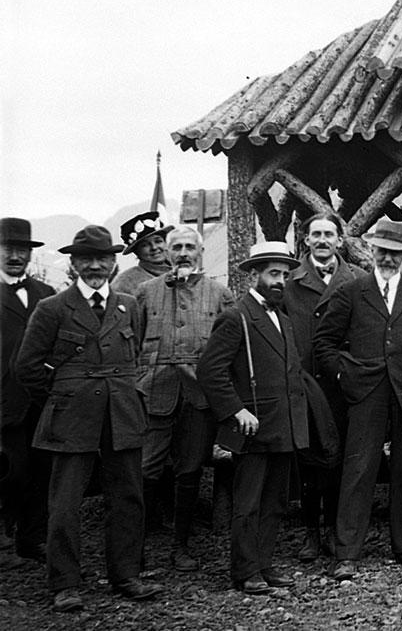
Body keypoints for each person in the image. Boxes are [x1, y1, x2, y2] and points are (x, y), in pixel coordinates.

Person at [14, 226, 162, 611]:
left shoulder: (129, 304)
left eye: (103, 259)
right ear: (74, 263)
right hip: (70, 416)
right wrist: (64, 394)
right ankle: (65, 583)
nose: (96, 266)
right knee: (64, 502)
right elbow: (27, 367)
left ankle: (126, 575)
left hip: (122, 413)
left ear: (114, 264)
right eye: (87, 259)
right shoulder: (53, 308)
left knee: (128, 496)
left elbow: (137, 356)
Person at [314, 218, 402, 579]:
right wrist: (343, 373)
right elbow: (324, 343)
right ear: (371, 250)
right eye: (383, 250)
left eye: (396, 252)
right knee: (358, 470)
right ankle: (347, 552)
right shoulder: (353, 291)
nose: (388, 257)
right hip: (365, 392)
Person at [195, 241, 310, 594]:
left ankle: (264, 564)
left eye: (285, 275)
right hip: (253, 425)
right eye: (273, 274)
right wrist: (235, 410)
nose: (280, 281)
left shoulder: (284, 319)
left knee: (275, 501)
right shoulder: (236, 317)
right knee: (248, 502)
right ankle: (245, 571)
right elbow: (210, 371)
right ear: (254, 275)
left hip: (283, 425)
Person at [133, 227, 235, 569]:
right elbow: (131, 344)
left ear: (201, 252)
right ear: (167, 252)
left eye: (190, 246)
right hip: (153, 393)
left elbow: (230, 351)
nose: (183, 253)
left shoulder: (220, 294)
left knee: (189, 472)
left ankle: (181, 546)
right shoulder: (145, 293)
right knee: (145, 471)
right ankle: (137, 547)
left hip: (198, 397)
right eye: (176, 247)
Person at [284, 211, 366, 561]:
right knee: (309, 458)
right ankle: (311, 532)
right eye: (315, 234)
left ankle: (334, 529)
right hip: (304, 380)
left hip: (338, 383)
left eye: (328, 234)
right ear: (305, 240)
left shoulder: (359, 279)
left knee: (338, 457)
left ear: (340, 241)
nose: (321, 240)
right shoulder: (288, 283)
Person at [0, 217, 55, 567]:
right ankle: (3, 540)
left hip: (40, 400)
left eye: (22, 250)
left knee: (41, 470)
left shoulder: (46, 296)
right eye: (9, 250)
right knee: (7, 470)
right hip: (3, 400)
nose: (15, 256)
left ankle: (32, 539)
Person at [112, 211, 172, 295]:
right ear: (136, 252)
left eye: (158, 241)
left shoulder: (184, 272)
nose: (154, 247)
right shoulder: (125, 282)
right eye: (145, 245)